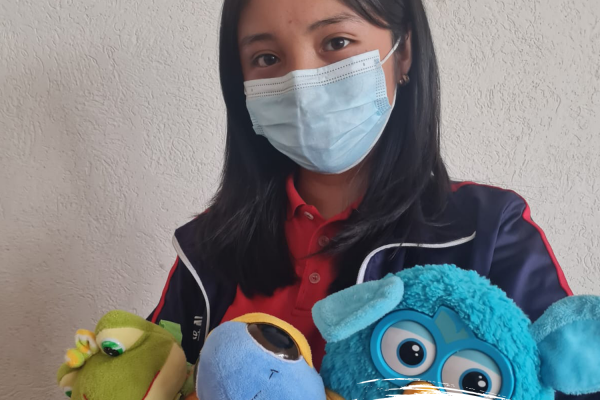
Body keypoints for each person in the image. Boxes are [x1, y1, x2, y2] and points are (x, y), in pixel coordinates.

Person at [148, 0, 585, 398]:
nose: (300, 82)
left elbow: (567, 383)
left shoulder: (487, 231)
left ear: (404, 51)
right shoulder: (207, 244)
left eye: (336, 42)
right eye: (266, 58)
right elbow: (150, 374)